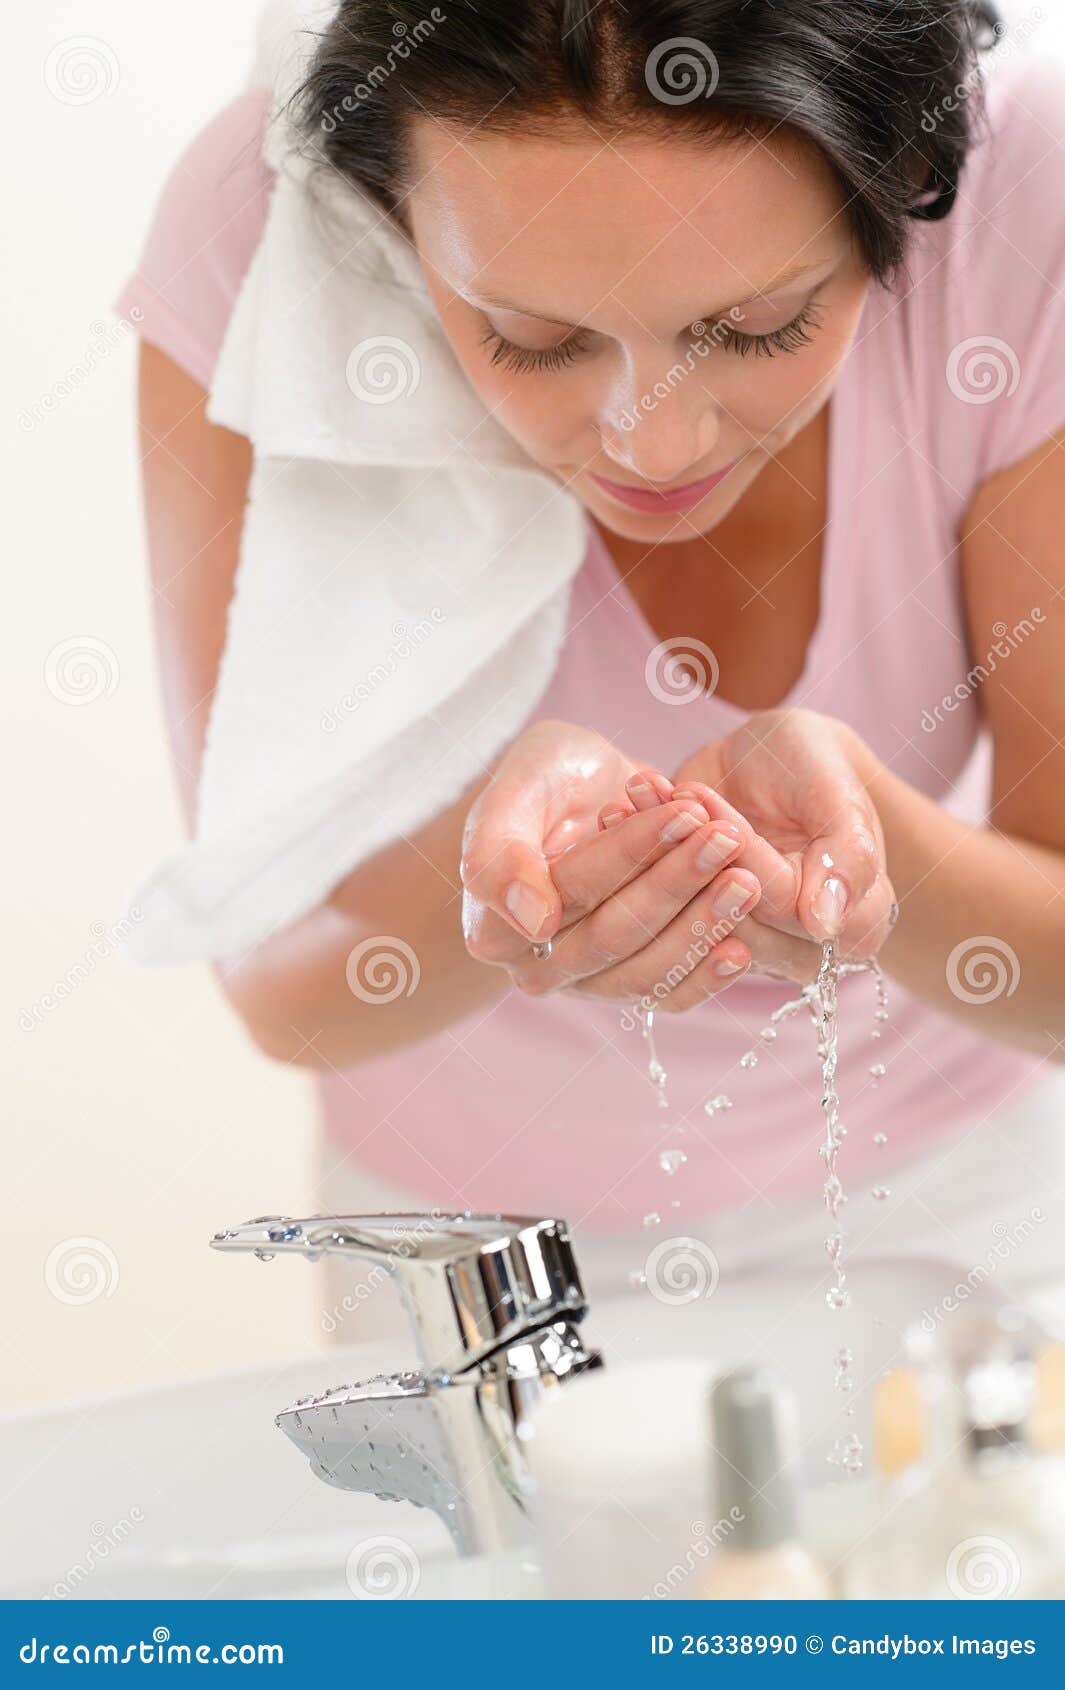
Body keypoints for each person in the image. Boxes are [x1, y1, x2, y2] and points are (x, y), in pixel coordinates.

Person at [120, 2, 1065, 1343]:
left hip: (958, 1191)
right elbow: (282, 985)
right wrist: (504, 882)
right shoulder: (258, 240)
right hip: (476, 1251)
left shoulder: (1025, 192)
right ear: (383, 224)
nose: (653, 437)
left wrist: (872, 853)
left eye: (757, 325)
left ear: (903, 185)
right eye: (536, 338)